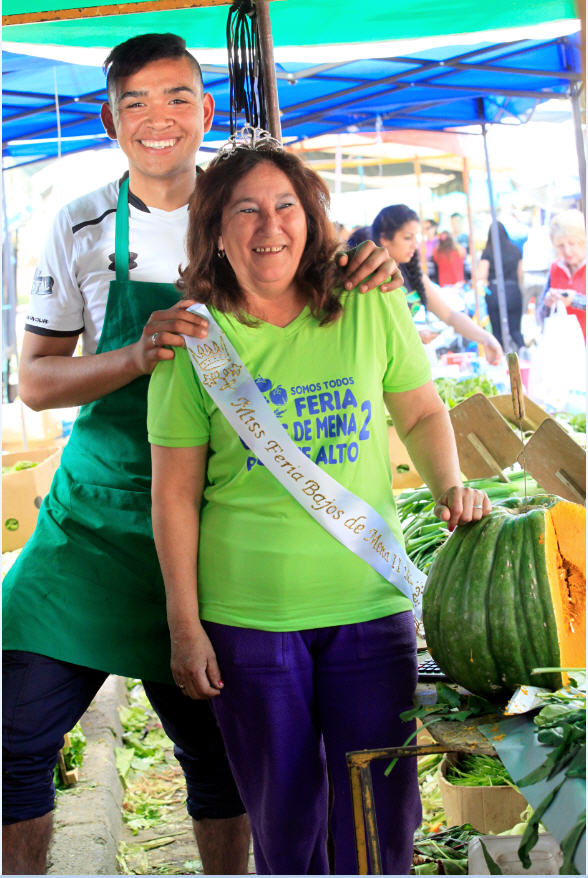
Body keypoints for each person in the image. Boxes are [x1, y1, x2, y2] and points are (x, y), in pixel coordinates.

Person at [2, 33, 400, 876]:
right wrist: (135, 355)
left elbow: (331, 286)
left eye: (178, 97)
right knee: (15, 736)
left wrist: (369, 260)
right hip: (100, 525)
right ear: (108, 118)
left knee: (225, 759)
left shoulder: (251, 206)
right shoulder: (76, 224)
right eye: (137, 102)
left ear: (206, 110)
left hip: (229, 532)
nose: (160, 118)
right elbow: (33, 384)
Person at [147, 132, 492, 875]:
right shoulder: (193, 341)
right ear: (214, 229)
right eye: (245, 210)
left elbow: (424, 412)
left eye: (285, 206)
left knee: (380, 815)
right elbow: (173, 494)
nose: (270, 226)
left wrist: (449, 484)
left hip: (369, 606)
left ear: (312, 219)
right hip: (249, 622)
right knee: (286, 818)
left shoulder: (370, 302)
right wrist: (184, 626)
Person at [372, 205, 503, 362]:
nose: (414, 244)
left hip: (404, 362)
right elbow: (373, 332)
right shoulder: (371, 277)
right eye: (407, 238)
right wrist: (415, 335)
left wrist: (486, 338)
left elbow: (450, 316)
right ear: (384, 239)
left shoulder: (411, 272)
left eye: (416, 237)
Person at [477, 221, 526, 351]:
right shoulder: (515, 250)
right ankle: (523, 352)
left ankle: (501, 358)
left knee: (497, 332)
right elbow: (521, 274)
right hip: (513, 290)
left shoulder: (488, 252)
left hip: (495, 292)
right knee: (515, 330)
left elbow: (481, 275)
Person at [538, 209, 586, 341]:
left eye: (572, 243)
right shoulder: (555, 268)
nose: (567, 251)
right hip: (567, 348)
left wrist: (575, 300)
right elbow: (541, 316)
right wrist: (548, 302)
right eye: (560, 245)